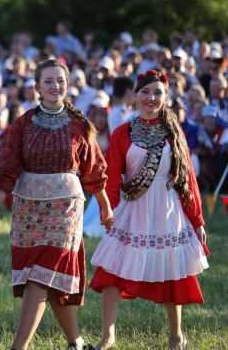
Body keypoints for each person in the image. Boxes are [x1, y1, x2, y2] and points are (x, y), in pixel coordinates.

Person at [0, 59, 113, 350]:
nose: (55, 86)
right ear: (37, 87)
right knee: (48, 278)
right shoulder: (22, 124)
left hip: (65, 207)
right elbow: (7, 168)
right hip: (28, 208)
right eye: (48, 81)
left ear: (67, 85)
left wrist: (106, 208)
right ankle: (77, 342)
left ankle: (17, 347)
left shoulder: (80, 126)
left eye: (60, 81)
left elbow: (94, 171)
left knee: (41, 273)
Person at [89, 70, 209, 350]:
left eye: (157, 93)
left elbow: (187, 178)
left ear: (165, 98)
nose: (151, 98)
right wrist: (109, 210)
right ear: (135, 96)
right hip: (132, 207)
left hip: (167, 207)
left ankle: (176, 336)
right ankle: (108, 336)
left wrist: (197, 220)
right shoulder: (122, 132)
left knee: (171, 271)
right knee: (112, 270)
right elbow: (112, 176)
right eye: (145, 92)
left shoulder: (173, 132)